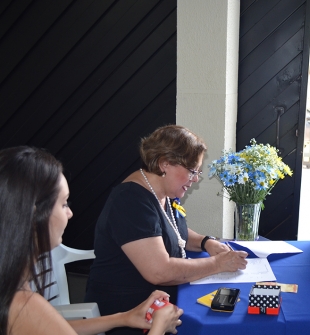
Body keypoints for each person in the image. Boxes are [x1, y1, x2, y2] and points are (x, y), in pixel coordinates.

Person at [0, 146, 183, 335]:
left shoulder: (14, 293)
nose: (70, 213)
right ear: (34, 214)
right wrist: (159, 327)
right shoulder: (23, 305)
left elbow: (51, 327)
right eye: (64, 204)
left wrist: (124, 317)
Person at [85, 125, 248, 335]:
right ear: (165, 164)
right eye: (192, 171)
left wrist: (206, 242)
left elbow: (174, 232)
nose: (196, 178)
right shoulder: (130, 201)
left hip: (158, 302)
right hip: (128, 313)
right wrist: (217, 264)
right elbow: (159, 271)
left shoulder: (161, 193)